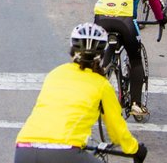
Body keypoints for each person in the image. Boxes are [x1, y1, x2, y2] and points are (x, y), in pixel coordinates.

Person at [14, 23, 145, 163]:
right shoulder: (101, 85)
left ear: (72, 49)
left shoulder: (56, 73)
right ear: (101, 54)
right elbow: (117, 131)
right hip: (64, 152)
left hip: (24, 148)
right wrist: (135, 149)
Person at [94, 0, 167, 120]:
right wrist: (161, 19)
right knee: (135, 59)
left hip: (101, 14)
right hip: (125, 18)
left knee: (108, 49)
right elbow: (154, 2)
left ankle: (100, 82)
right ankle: (135, 104)